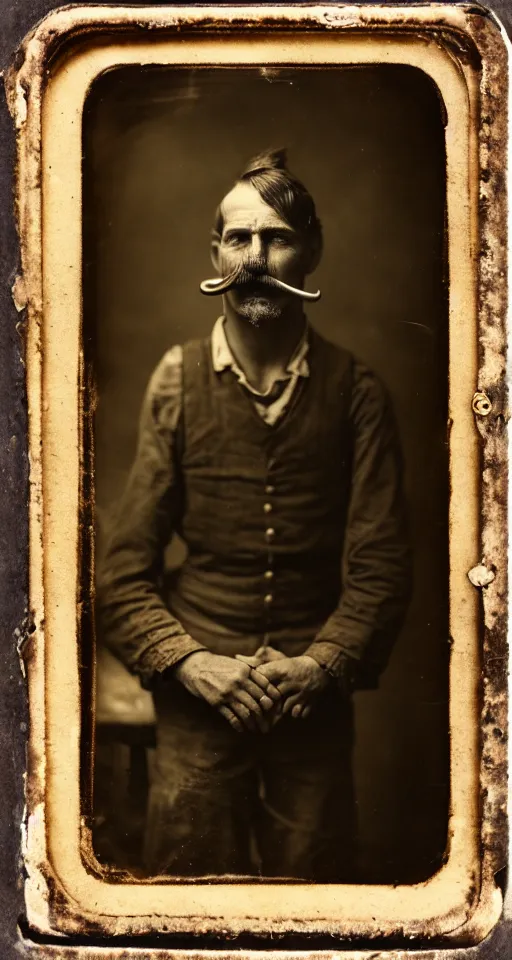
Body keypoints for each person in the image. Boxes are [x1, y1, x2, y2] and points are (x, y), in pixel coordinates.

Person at [98, 148, 412, 882]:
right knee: (188, 888)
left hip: (312, 702)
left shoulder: (357, 393)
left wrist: (317, 667)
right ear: (215, 253)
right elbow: (122, 577)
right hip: (196, 698)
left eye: (276, 238)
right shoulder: (176, 382)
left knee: (318, 895)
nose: (255, 258)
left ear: (311, 251)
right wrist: (192, 665)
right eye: (239, 239)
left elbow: (381, 569)